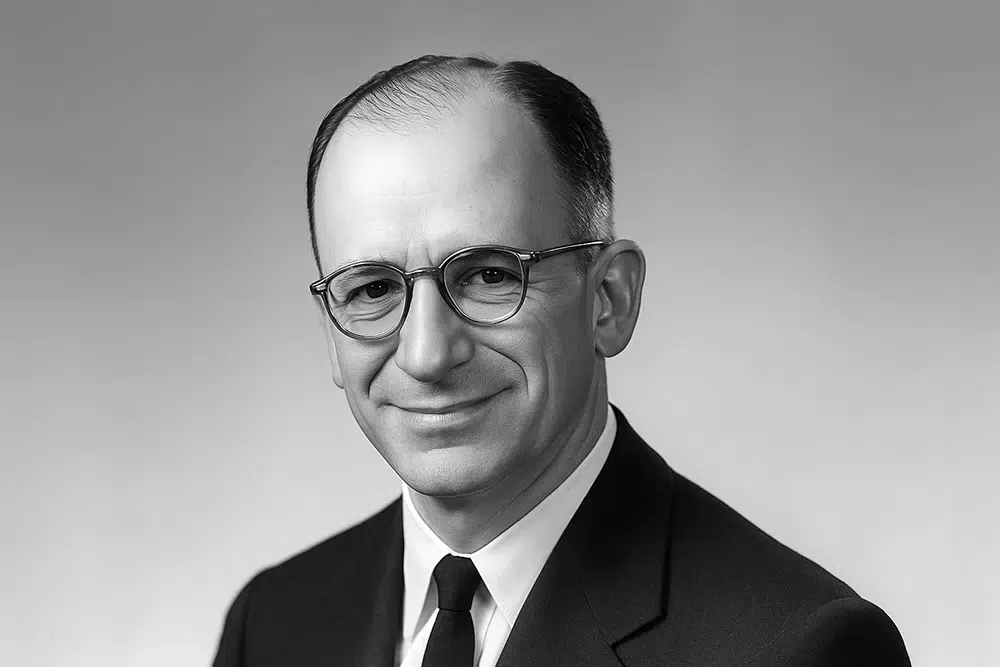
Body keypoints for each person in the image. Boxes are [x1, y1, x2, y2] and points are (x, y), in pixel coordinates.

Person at [212, 55, 911, 667]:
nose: (426, 353)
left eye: (487, 275)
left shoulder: (801, 650)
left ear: (609, 299)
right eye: (371, 289)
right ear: (331, 335)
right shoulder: (271, 624)